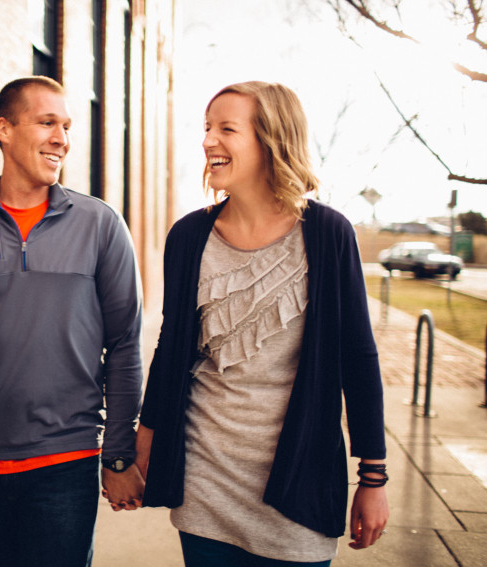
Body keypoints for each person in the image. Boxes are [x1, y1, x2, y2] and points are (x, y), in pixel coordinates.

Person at [135, 81, 389, 566]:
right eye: (207, 128)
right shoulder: (190, 236)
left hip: (300, 476)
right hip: (206, 477)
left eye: (226, 129)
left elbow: (358, 356)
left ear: (272, 140)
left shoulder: (328, 234)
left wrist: (372, 477)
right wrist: (145, 436)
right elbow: (172, 348)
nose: (209, 140)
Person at [0, 76, 145, 567]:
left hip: (68, 459)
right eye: (47, 123)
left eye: (66, 126)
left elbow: (125, 343)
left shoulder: (100, 225)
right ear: (4, 129)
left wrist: (119, 453)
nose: (62, 137)